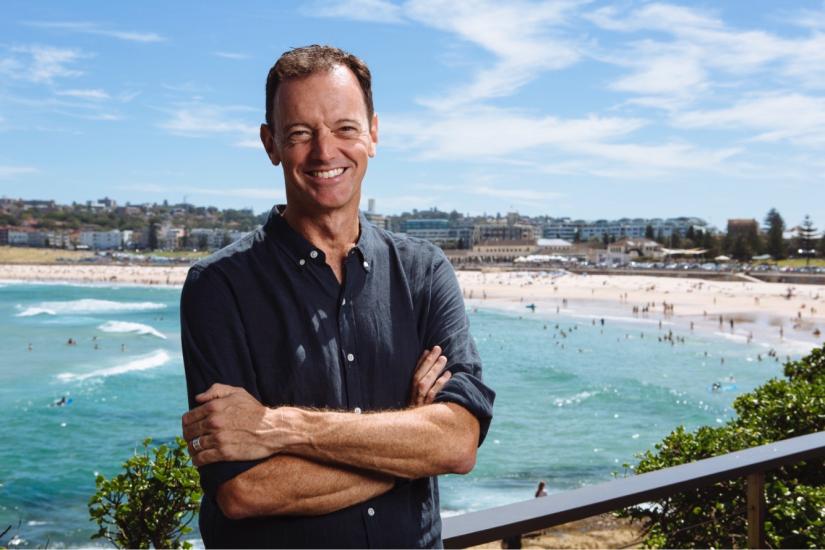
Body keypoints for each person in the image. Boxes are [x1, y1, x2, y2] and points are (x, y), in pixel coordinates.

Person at [179, 45, 494, 548]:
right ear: (270, 144)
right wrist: (410, 446)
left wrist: (278, 426)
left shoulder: (424, 271)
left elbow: (457, 443)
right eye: (301, 133)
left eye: (345, 128)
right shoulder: (218, 287)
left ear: (373, 133)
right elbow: (245, 490)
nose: (326, 152)